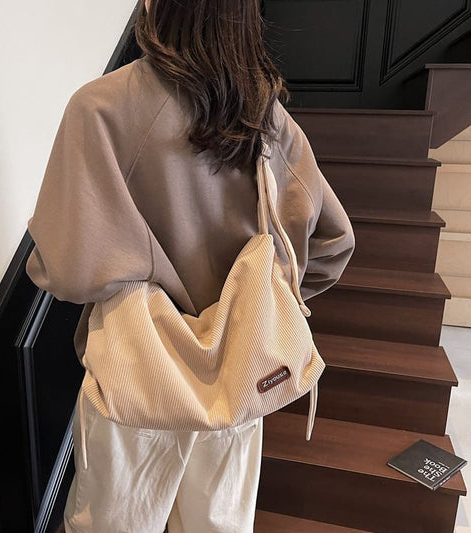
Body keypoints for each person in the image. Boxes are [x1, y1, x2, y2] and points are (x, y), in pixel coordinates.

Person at [25, 0, 355, 531]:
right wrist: (265, 301)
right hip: (238, 377)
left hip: (135, 383)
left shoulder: (100, 109)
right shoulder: (267, 120)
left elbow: (66, 271)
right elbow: (334, 245)